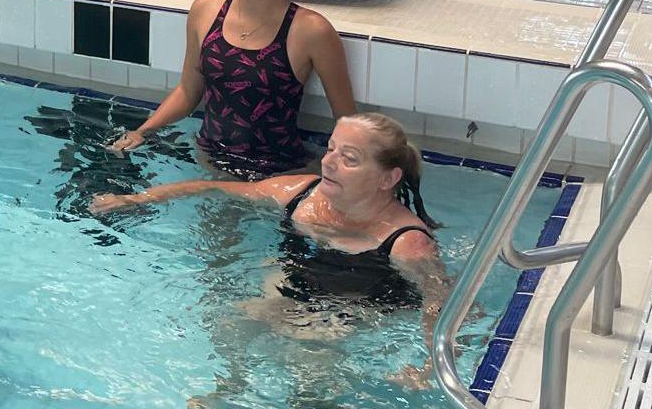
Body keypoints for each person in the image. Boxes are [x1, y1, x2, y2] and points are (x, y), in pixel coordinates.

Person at [92, 113, 446, 386]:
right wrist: (133, 199)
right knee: (232, 324)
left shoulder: (406, 243)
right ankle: (228, 389)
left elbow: (442, 303)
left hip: (362, 306)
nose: (328, 162)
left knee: (306, 358)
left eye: (349, 158)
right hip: (300, 283)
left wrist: (429, 368)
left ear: (388, 179)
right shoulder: (300, 195)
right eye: (331, 148)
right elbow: (210, 187)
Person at [110, 0, 356, 177]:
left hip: (275, 174)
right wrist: (142, 131)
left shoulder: (311, 29)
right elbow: (188, 92)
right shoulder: (204, 11)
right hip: (208, 159)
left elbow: (346, 120)